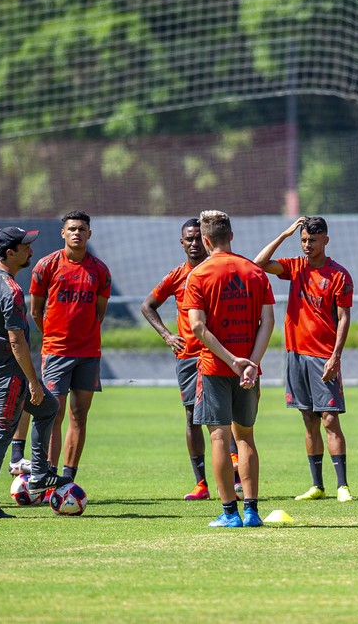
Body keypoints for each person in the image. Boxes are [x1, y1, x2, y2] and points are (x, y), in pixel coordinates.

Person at [0, 226, 70, 519]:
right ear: (11, 253)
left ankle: (38, 474)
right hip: (10, 375)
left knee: (49, 408)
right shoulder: (10, 290)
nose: (31, 251)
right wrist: (33, 382)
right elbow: (16, 340)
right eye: (25, 247)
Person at [185, 210, 275, 528]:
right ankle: (251, 512)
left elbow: (197, 327)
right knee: (246, 438)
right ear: (232, 236)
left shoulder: (198, 275)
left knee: (220, 439)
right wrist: (251, 362)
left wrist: (230, 360)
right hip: (249, 370)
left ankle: (229, 514)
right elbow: (268, 323)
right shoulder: (255, 272)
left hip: (214, 368)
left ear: (205, 240)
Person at [255, 216, 355, 502]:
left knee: (329, 419)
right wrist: (284, 234)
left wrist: (336, 356)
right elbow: (258, 264)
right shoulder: (294, 266)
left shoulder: (339, 275)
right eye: (303, 241)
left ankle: (342, 486)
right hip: (295, 354)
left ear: (325, 240)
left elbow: (344, 317)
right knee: (308, 419)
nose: (307, 245)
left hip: (323, 356)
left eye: (312, 240)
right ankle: (317, 485)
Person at [142, 217, 225, 501]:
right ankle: (201, 482)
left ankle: (235, 475)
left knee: (227, 414)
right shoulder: (177, 275)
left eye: (197, 238)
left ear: (206, 239)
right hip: (189, 355)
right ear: (182, 242)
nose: (193, 243)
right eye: (188, 238)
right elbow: (148, 305)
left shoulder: (218, 269)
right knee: (192, 417)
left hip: (217, 352)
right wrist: (167, 336)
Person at [29, 210, 111, 482]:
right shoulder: (46, 265)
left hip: (88, 353)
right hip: (56, 352)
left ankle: (68, 477)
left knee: (79, 416)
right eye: (72, 228)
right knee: (54, 413)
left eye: (82, 229)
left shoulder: (99, 270)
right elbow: (35, 311)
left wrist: (83, 334)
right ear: (63, 233)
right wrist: (53, 336)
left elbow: (100, 312)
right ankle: (47, 475)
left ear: (90, 234)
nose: (77, 233)